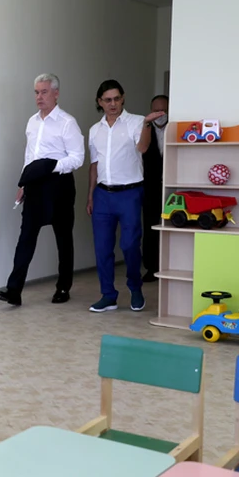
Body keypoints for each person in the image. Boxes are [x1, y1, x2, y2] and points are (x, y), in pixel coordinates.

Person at [0, 73, 85, 306]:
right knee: (26, 236)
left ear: (56, 93)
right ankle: (14, 290)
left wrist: (51, 166)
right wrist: (23, 183)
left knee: (63, 238)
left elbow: (78, 158)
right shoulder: (32, 122)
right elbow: (29, 156)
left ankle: (63, 287)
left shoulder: (67, 122)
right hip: (34, 185)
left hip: (59, 184)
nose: (39, 97)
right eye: (36, 92)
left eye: (44, 92)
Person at [86, 80, 165, 313]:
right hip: (102, 194)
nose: (113, 104)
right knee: (102, 248)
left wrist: (147, 124)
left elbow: (143, 147)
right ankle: (108, 295)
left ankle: (135, 288)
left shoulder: (137, 121)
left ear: (123, 98)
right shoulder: (94, 130)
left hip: (130, 193)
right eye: (108, 100)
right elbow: (94, 164)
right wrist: (90, 195)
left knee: (130, 245)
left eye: (117, 98)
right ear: (100, 102)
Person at [142, 95, 169, 282]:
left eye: (163, 110)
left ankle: (170, 265)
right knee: (150, 226)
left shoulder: (175, 129)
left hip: (172, 186)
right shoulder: (144, 130)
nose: (160, 114)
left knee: (172, 225)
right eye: (156, 111)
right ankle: (151, 267)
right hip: (149, 186)